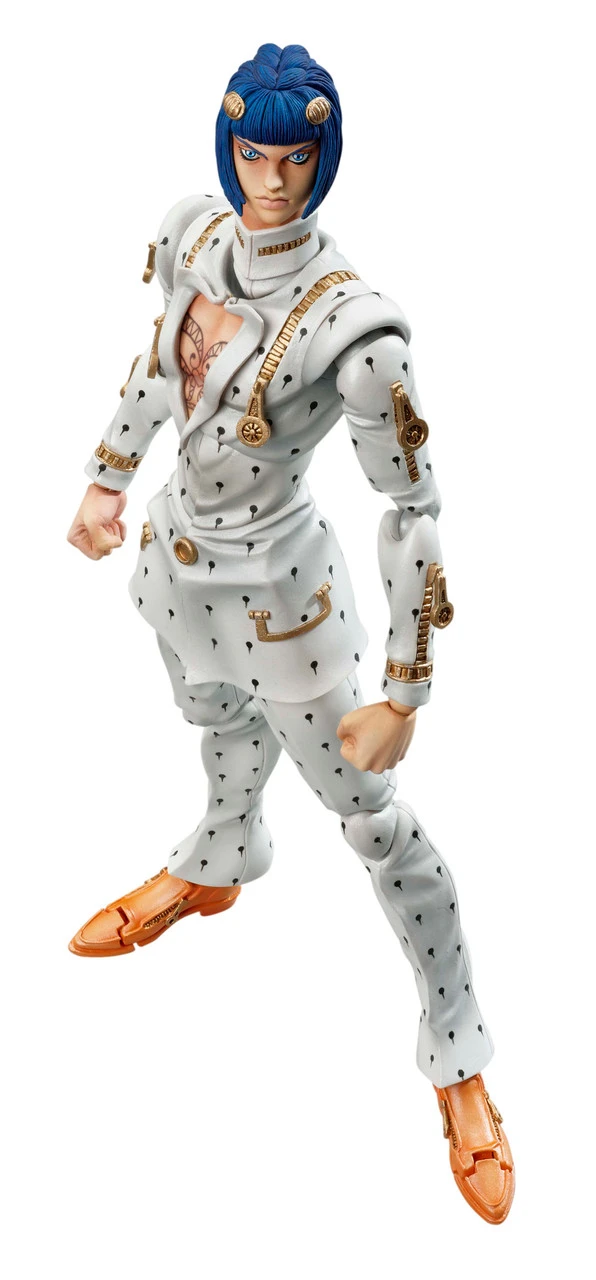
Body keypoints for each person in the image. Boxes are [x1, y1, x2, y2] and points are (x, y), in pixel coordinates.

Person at [67, 43, 514, 1224]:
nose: (271, 180)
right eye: (254, 154)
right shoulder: (192, 236)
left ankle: (458, 1051)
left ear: (324, 157)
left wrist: (404, 690)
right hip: (177, 565)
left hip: (286, 601)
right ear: (228, 149)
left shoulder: (357, 333)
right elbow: (157, 369)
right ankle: (219, 858)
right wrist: (107, 478)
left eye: (295, 157)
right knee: (213, 723)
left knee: (373, 822)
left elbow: (411, 509)